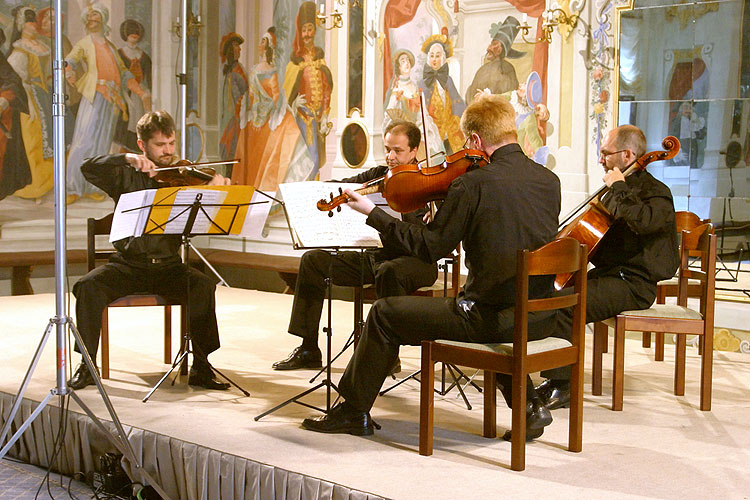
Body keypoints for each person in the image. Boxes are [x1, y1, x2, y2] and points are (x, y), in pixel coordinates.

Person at [300, 94, 562, 441]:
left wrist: (373, 213)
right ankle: (530, 406)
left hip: (491, 318)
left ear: (475, 141)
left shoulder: (473, 184)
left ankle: (352, 410)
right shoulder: (548, 180)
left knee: (384, 312)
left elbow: (429, 247)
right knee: (490, 302)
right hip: (538, 315)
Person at [67, 110, 231, 391]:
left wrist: (217, 187)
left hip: (168, 266)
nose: (168, 152)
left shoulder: (183, 175)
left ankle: (201, 368)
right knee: (87, 287)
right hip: (128, 266)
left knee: (203, 286)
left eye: (171, 144)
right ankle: (87, 365)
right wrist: (126, 158)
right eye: (159, 145)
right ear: (142, 145)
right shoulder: (124, 174)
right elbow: (87, 167)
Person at [534, 124, 680, 411]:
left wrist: (619, 188)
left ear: (627, 154)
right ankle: (554, 375)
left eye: (605, 153)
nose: (601, 160)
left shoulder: (656, 192)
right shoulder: (615, 191)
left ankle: (562, 387)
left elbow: (644, 221)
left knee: (566, 306)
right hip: (610, 275)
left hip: (635, 284)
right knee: (549, 297)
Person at [272, 120, 438, 372]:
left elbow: (431, 237)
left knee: (390, 271)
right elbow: (341, 186)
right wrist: (308, 190)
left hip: (416, 262)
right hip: (376, 257)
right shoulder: (378, 176)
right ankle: (308, 348)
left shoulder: (429, 184)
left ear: (414, 151)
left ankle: (386, 355)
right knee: (313, 260)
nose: (390, 157)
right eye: (387, 149)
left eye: (398, 151)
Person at [65, 2, 150, 204]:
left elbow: (123, 72)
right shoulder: (86, 42)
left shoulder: (110, 47)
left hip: (112, 99)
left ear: (102, 19)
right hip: (94, 95)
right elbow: (71, 58)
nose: (91, 20)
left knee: (102, 144)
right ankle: (72, 187)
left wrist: (140, 91)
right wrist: (68, 70)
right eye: (89, 17)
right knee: (84, 141)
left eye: (95, 17)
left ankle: (92, 186)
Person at [231, 27, 312, 191]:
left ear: (267, 45)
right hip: (261, 118)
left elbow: (273, 97)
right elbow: (272, 96)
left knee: (290, 129)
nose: (260, 44)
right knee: (288, 128)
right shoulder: (263, 70)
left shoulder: (262, 70)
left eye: (263, 41)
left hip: (259, 118)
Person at [282, 1, 333, 182]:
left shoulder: (320, 61)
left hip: (318, 121)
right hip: (302, 118)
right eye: (304, 30)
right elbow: (287, 97)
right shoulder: (295, 64)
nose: (307, 34)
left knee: (316, 162)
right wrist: (294, 104)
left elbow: (327, 90)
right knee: (309, 162)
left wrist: (326, 115)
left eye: (310, 29)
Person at [418, 34, 465, 155]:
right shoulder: (423, 83)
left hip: (449, 128)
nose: (434, 59)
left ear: (443, 58)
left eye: (437, 56)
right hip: (432, 130)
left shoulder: (448, 80)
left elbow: (457, 101)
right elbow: (420, 108)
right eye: (432, 56)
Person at [465, 17, 523, 105]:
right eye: (491, 44)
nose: (488, 48)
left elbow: (511, 96)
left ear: (502, 49)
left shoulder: (508, 69)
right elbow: (470, 95)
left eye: (494, 45)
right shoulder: (482, 69)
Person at [117, 19, 152, 152]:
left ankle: (138, 147)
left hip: (141, 92)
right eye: (131, 32)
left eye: (137, 32)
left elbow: (149, 78)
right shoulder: (119, 54)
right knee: (126, 118)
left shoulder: (145, 56)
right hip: (125, 91)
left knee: (139, 119)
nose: (134, 34)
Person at [219, 32, 248, 161]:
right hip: (227, 118)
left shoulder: (239, 71)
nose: (239, 49)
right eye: (236, 45)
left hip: (236, 120)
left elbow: (245, 95)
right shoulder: (228, 71)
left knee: (232, 152)